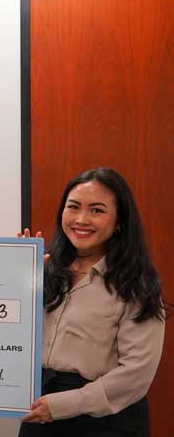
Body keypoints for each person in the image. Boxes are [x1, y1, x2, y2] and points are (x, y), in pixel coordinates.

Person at [18, 167, 165, 437]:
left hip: (105, 420)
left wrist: (64, 404)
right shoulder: (45, 269)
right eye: (73, 207)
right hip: (39, 410)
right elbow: (11, 338)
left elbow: (136, 374)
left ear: (119, 221)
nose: (82, 219)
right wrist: (17, 279)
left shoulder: (136, 284)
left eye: (97, 210)